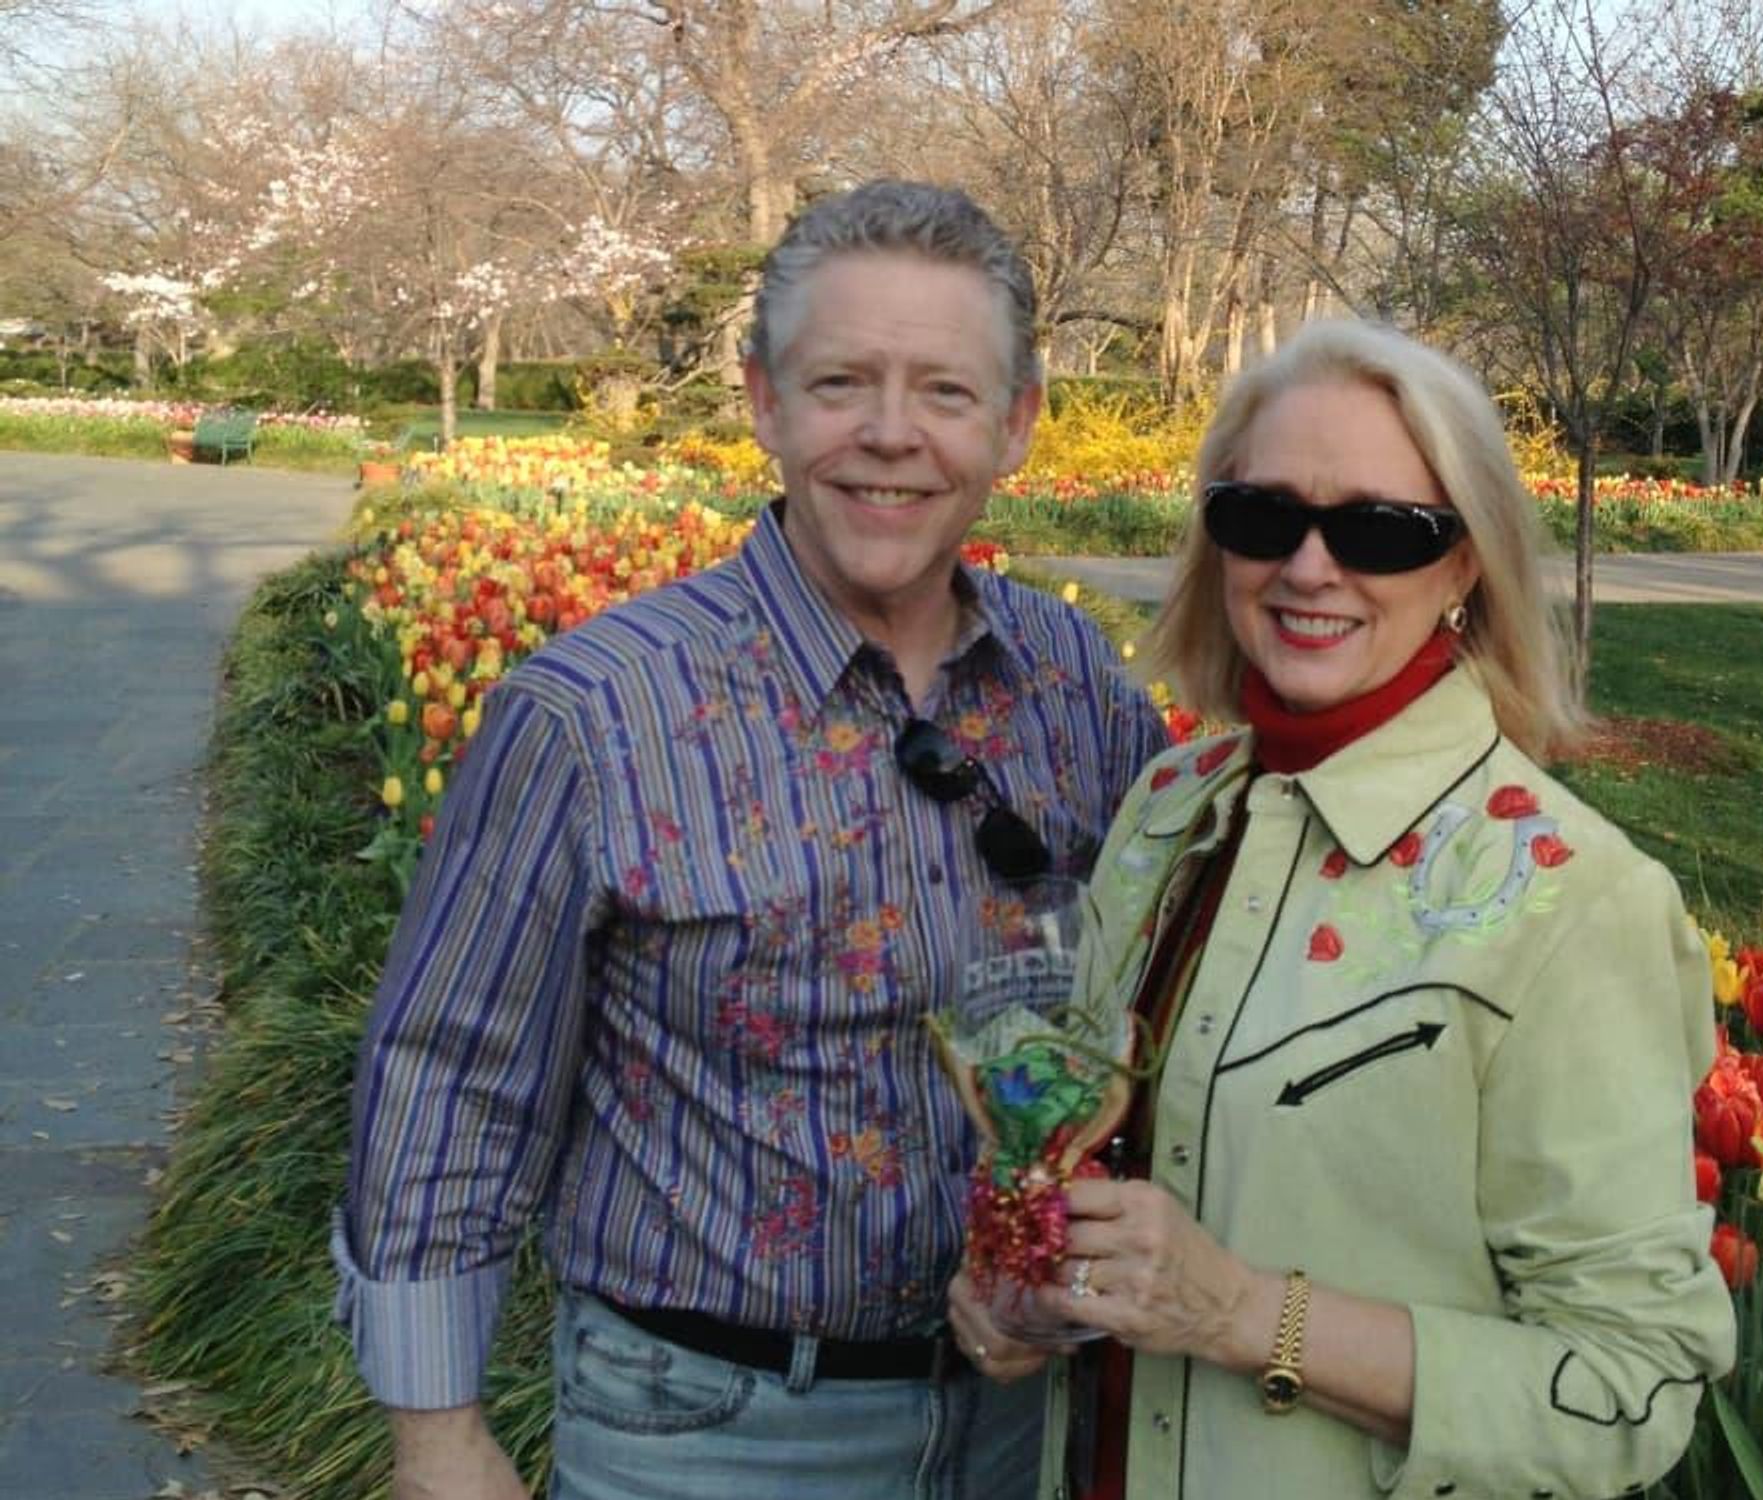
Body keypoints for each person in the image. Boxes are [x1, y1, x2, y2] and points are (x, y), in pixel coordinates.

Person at [335, 180, 1168, 1500]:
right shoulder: (598, 713)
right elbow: (453, 1074)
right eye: (841, 383)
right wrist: (436, 1434)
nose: (890, 434)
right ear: (764, 401)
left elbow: (1146, 998)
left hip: (1022, 1420)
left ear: (1015, 424)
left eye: (945, 392)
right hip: (709, 1430)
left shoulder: (1073, 684)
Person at [947, 319, 1736, 1500]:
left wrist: (1240, 1314)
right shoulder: (1167, 809)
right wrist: (1018, 1285)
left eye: (1379, 530)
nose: (1308, 569)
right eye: (1261, 517)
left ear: (1463, 564)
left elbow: (1632, 1384)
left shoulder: (1570, 901)